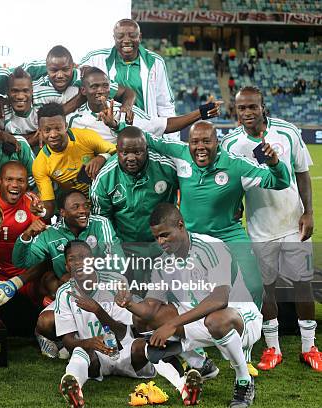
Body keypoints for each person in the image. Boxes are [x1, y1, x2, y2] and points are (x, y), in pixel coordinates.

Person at [144, 120, 292, 377]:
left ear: (217, 143)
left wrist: (274, 163)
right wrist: (117, 124)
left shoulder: (236, 165)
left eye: (206, 142)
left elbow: (280, 181)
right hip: (188, 239)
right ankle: (198, 348)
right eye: (194, 142)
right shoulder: (180, 154)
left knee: (254, 287)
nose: (200, 147)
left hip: (228, 234)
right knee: (184, 292)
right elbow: (149, 139)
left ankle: (245, 345)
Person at [116, 203, 262, 408]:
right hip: (197, 321)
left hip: (239, 318)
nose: (161, 242)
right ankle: (200, 364)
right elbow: (150, 307)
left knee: (215, 319)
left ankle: (244, 380)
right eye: (157, 237)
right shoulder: (162, 263)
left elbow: (220, 299)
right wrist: (129, 303)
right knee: (143, 320)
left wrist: (173, 324)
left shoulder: (211, 247)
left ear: (181, 225)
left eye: (165, 235)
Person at [221, 86, 319, 372]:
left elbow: (302, 172)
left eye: (253, 107)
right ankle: (272, 348)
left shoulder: (288, 132)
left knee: (303, 284)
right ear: (235, 111)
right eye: (242, 108)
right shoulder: (230, 143)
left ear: (263, 107)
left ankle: (309, 346)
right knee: (266, 289)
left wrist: (309, 212)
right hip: (258, 228)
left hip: (292, 223)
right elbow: (231, 183)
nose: (248, 113)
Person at [12, 189, 121, 357]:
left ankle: (75, 343)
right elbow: (22, 262)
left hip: (101, 291)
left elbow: (116, 261)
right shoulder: (50, 233)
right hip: (70, 296)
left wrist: (81, 275)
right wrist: (27, 235)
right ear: (62, 212)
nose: (83, 210)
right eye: (75, 207)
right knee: (45, 322)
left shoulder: (101, 224)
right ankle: (57, 339)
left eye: (85, 206)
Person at [55, 240, 161, 408]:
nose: (78, 263)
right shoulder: (64, 293)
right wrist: (89, 342)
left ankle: (182, 381)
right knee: (79, 350)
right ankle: (74, 387)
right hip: (95, 358)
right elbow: (67, 341)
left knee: (144, 345)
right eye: (72, 259)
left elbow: (123, 333)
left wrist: (98, 310)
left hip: (126, 351)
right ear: (67, 266)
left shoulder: (115, 281)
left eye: (83, 257)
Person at [90, 126, 178, 288]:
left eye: (137, 152)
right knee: (133, 294)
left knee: (169, 293)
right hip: (126, 247)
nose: (131, 158)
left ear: (146, 149)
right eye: (125, 153)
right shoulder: (104, 178)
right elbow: (102, 222)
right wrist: (117, 255)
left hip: (163, 245)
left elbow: (190, 190)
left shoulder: (166, 167)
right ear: (117, 150)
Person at [0, 162, 45, 335]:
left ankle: (46, 331)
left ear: (26, 183)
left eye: (20, 180)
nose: (15, 185)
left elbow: (44, 252)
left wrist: (18, 281)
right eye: (9, 179)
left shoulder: (33, 203)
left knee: (50, 283)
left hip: (24, 275)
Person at [67, 68, 222, 143]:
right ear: (83, 90)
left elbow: (166, 125)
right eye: (94, 86)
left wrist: (201, 112)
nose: (100, 91)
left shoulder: (125, 112)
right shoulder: (74, 120)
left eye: (105, 86)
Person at [80, 19, 176, 129]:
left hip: (145, 131)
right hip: (108, 131)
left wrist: (171, 137)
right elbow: (76, 76)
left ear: (139, 37)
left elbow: (165, 105)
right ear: (114, 38)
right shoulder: (95, 58)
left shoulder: (155, 62)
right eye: (120, 36)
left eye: (132, 35)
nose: (126, 40)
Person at [32, 102, 115, 218]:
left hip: (105, 195)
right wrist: (42, 211)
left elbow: (117, 152)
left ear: (66, 126)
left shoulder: (86, 137)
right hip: (76, 208)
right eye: (47, 130)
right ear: (40, 131)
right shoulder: (40, 164)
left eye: (58, 128)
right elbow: (49, 203)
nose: (53, 134)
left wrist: (102, 157)